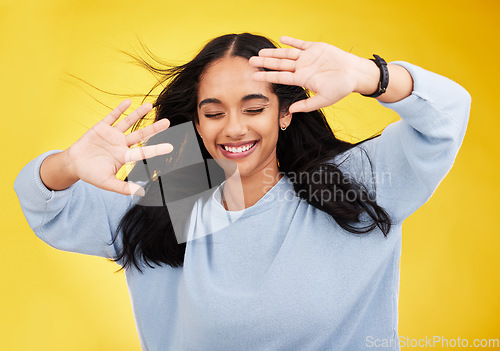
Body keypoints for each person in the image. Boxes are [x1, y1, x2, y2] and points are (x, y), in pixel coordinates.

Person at [14, 33, 471, 350]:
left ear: (284, 113)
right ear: (196, 122)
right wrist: (68, 166)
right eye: (213, 113)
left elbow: (448, 116)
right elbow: (48, 208)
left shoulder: (345, 183)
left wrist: (370, 75)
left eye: (254, 108)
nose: (234, 128)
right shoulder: (182, 186)